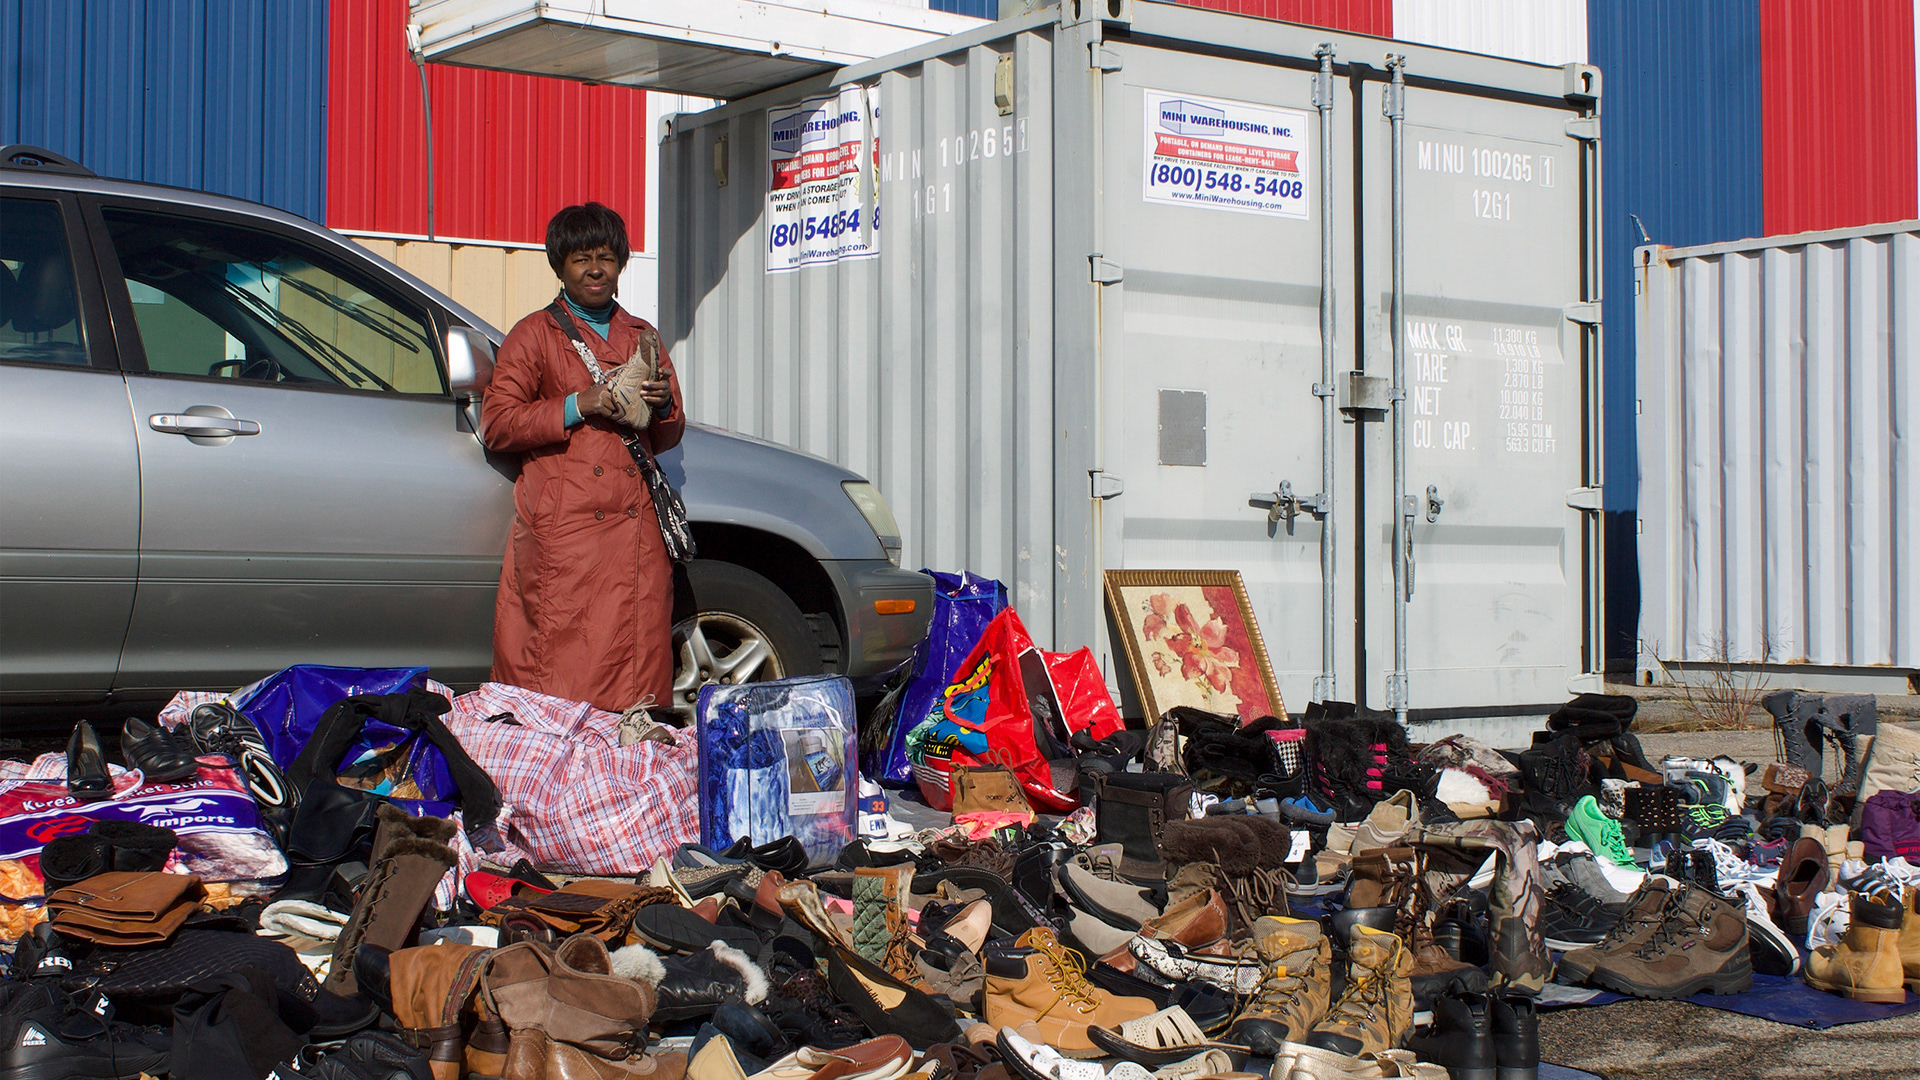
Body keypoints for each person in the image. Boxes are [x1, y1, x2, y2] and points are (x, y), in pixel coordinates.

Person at [481, 203, 685, 713]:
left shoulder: (643, 336)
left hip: (634, 533)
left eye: (606, 257)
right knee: (561, 668)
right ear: (559, 267)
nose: (595, 269)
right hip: (567, 532)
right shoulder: (533, 334)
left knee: (632, 663)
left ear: (620, 264)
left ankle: (620, 774)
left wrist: (662, 407)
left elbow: (669, 432)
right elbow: (498, 423)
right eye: (581, 259)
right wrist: (579, 403)